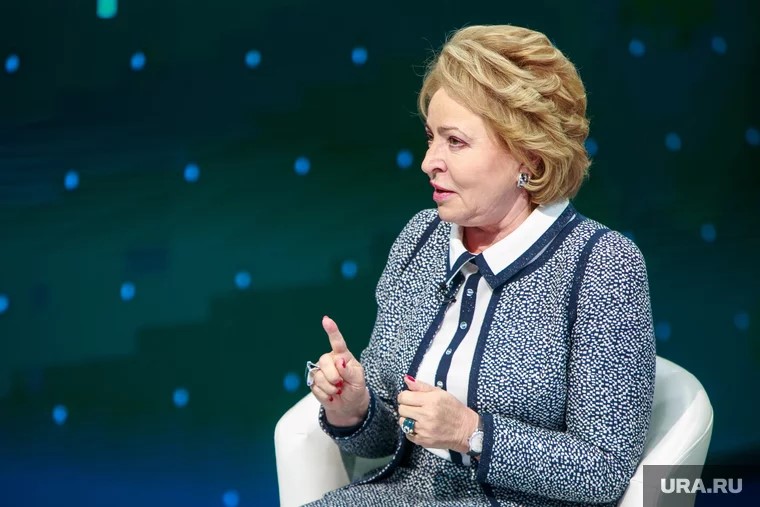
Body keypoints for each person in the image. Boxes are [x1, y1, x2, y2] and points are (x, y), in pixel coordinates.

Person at [304, 24, 655, 507]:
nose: (429, 162)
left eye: (455, 142)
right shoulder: (421, 237)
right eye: (431, 137)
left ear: (529, 155)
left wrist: (471, 432)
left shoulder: (602, 266)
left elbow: (604, 472)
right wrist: (353, 408)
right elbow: (386, 442)